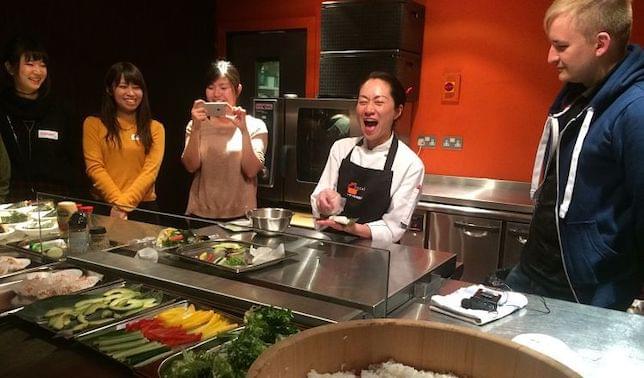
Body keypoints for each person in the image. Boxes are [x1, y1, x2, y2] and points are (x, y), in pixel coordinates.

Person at [505, 0, 644, 310]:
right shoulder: (577, 94)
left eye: (561, 46)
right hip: (533, 272)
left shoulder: (636, 110)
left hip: (587, 292)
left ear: (601, 44)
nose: (550, 57)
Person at [311, 71, 425, 245]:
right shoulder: (341, 148)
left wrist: (352, 228)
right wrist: (324, 204)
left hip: (379, 258)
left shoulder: (410, 164)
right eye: (363, 101)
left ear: (397, 111)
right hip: (333, 249)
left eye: (379, 102)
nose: (368, 109)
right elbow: (320, 197)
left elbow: (393, 228)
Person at [182, 60, 267, 220]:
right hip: (200, 213)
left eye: (223, 87)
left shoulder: (255, 126)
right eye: (211, 87)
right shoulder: (196, 125)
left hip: (241, 216)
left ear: (238, 89)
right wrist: (195, 127)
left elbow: (251, 170)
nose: (216, 94)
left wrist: (243, 130)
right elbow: (190, 166)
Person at [83, 62, 165, 223]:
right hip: (104, 208)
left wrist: (122, 205)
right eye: (123, 86)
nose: (131, 93)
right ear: (109, 89)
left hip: (144, 209)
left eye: (136, 87)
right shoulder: (93, 124)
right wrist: (118, 204)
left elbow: (150, 172)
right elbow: (94, 168)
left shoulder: (155, 128)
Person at [0, 35, 74, 201]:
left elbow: (71, 162)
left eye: (42, 65)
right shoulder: (2, 109)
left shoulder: (60, 110)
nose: (37, 71)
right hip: (11, 201)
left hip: (55, 200)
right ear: (10, 67)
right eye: (30, 64)